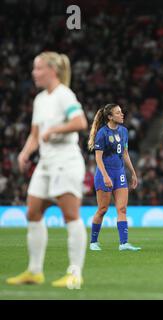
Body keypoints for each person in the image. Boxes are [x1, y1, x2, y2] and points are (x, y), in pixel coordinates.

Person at [6, 52, 87, 288]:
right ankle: (34, 271)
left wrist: (55, 130)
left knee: (70, 216)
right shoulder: (40, 99)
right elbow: (35, 133)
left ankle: (75, 274)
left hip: (66, 161)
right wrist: (24, 152)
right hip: (46, 163)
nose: (34, 73)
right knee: (32, 212)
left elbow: (80, 122)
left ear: (52, 70)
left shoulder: (64, 94)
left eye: (38, 68)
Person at [87, 103, 141, 251]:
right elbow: (98, 158)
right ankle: (93, 242)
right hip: (105, 174)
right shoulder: (102, 133)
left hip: (120, 174)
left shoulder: (123, 131)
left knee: (122, 209)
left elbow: (124, 153)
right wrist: (105, 176)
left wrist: (133, 173)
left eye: (121, 112)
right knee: (102, 209)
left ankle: (124, 243)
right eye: (118, 113)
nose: (122, 114)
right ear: (110, 117)